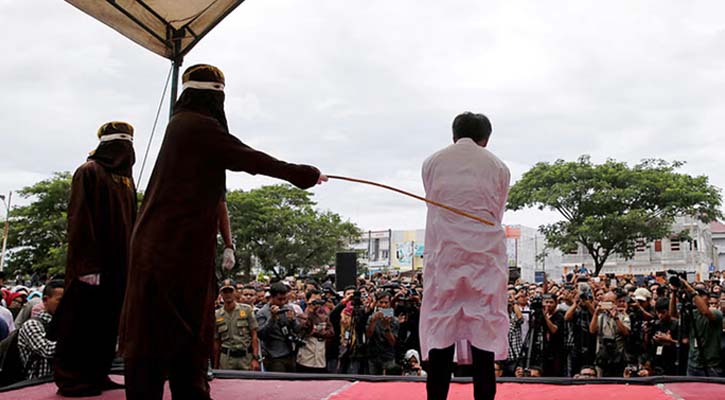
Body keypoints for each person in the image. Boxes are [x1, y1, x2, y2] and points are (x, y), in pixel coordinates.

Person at [119, 64, 326, 400]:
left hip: (171, 251)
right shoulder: (195, 127)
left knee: (166, 335)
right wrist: (302, 174)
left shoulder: (184, 128)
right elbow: (247, 157)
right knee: (163, 337)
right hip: (170, 253)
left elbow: (219, 194)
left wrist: (227, 243)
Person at [420, 112, 510, 400]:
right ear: (486, 139)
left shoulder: (432, 162)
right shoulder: (499, 166)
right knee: (483, 335)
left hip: (444, 257)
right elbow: (497, 212)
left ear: (453, 135)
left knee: (440, 334)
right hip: (484, 260)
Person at [51, 121, 137, 396]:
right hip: (91, 266)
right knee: (80, 324)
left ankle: (97, 374)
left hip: (119, 265)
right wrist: (87, 266)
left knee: (106, 324)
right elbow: (79, 220)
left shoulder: (126, 180)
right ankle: (72, 379)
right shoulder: (88, 172)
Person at [18, 280, 64, 380]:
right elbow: (46, 349)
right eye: (61, 300)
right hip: (37, 386)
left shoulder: (66, 324)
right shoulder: (32, 325)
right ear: (45, 300)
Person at [213, 279, 260, 371]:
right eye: (225, 292)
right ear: (221, 294)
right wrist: (216, 364)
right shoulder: (216, 314)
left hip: (245, 358)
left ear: (236, 292)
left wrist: (255, 359)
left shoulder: (247, 310)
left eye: (230, 291)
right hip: (226, 359)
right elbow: (217, 341)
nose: (228, 294)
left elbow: (254, 336)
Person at [257, 282, 301, 372]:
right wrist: (272, 319)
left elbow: (297, 330)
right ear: (272, 297)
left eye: (284, 299)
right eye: (279, 299)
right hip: (274, 356)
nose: (282, 302)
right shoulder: (262, 312)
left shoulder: (288, 308)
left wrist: (292, 320)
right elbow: (262, 334)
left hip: (289, 353)